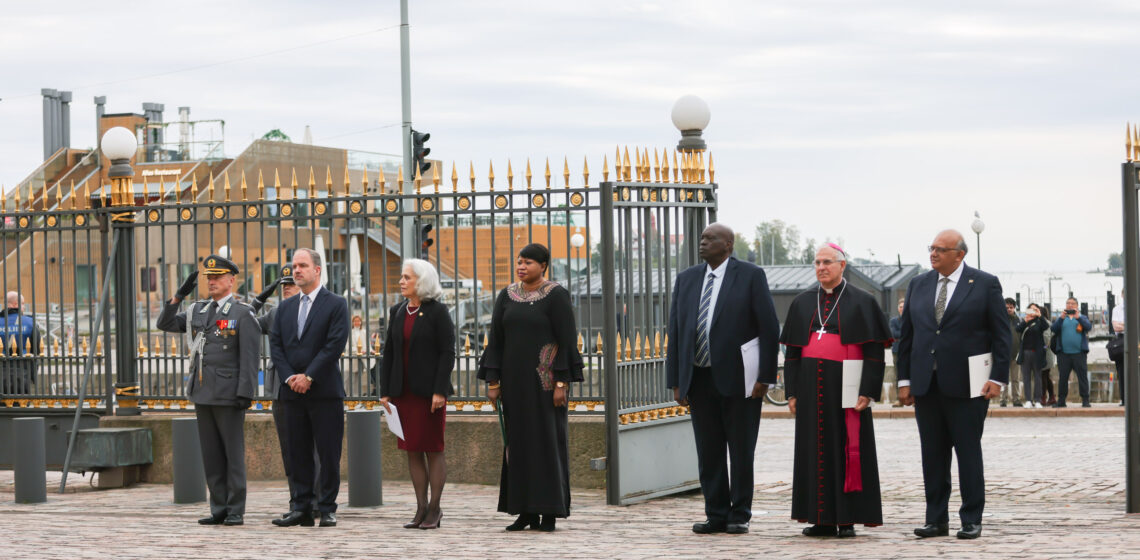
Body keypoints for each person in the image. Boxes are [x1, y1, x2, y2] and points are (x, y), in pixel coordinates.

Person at [664, 223, 780, 535]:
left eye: (710, 238)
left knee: (741, 451)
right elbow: (675, 331)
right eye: (701, 238)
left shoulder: (750, 275)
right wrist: (676, 379)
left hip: (741, 380)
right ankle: (715, 513)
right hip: (699, 379)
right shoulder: (687, 279)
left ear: (727, 245)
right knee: (708, 450)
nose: (703, 242)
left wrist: (766, 376)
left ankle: (739, 513)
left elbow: (768, 327)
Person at [897, 229, 1010, 540]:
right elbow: (907, 337)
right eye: (931, 248)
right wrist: (904, 380)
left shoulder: (984, 284)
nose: (933, 254)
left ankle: (971, 518)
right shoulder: (919, 283)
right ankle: (936, 519)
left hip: (969, 385)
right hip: (926, 384)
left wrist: (997, 377)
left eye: (940, 250)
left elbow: (1002, 335)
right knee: (932, 455)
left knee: (968, 453)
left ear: (959, 254)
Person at [780, 244, 891, 538]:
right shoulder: (802, 302)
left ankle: (847, 518)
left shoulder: (862, 301)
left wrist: (868, 390)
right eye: (817, 262)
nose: (821, 267)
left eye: (827, 262)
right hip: (809, 388)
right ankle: (821, 519)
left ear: (842, 266)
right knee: (813, 450)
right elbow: (791, 352)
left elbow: (874, 350)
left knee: (845, 448)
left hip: (847, 387)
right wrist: (791, 392)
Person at [478, 243, 584, 532]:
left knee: (546, 444)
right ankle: (524, 512)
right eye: (519, 261)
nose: (521, 266)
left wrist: (561, 382)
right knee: (519, 445)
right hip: (513, 385)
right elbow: (496, 340)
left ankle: (548, 512)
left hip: (546, 385)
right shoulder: (507, 296)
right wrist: (493, 380)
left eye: (528, 262)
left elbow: (566, 339)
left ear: (543, 265)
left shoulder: (556, 296)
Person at [156, 254, 260, 526]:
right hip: (202, 391)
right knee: (212, 455)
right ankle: (219, 507)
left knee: (232, 455)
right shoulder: (199, 311)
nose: (212, 281)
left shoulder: (243, 313)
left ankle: (235, 508)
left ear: (231, 280)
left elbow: (250, 357)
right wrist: (178, 297)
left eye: (217, 277)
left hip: (229, 393)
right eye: (209, 277)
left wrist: (246, 393)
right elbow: (165, 324)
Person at [269, 249, 351, 528]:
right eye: (294, 266)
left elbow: (334, 345)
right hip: (291, 393)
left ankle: (326, 507)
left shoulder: (336, 304)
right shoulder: (285, 308)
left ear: (318, 270)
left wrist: (310, 376)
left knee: (328, 454)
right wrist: (291, 377)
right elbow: (276, 346)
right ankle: (300, 506)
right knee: (297, 451)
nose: (297, 270)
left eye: (303, 265)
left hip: (324, 391)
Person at [377, 259, 455, 530]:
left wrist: (440, 390)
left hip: (428, 394)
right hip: (403, 393)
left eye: (407, 277)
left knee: (433, 449)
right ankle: (420, 508)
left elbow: (448, 352)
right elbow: (389, 353)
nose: (401, 281)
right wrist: (385, 391)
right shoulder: (397, 310)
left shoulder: (437, 311)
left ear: (421, 281)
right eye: (401, 277)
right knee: (411, 451)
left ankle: (435, 509)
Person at [252, 267, 319, 519]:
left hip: (312, 386)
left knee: (315, 449)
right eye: (283, 286)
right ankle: (297, 502)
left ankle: (317, 501)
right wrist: (259, 299)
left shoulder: (318, 306)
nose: (288, 288)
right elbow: (247, 322)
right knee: (290, 450)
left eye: (291, 283)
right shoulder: (275, 313)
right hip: (282, 388)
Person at [1051, 297, 1092, 408]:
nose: (1070, 305)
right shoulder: (1061, 318)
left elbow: (1088, 327)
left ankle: (1085, 400)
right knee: (1063, 378)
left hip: (1079, 353)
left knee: (1082, 377)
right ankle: (1061, 400)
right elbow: (1053, 329)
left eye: (1073, 303)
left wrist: (1078, 318)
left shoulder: (1082, 317)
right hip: (1063, 354)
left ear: (1077, 305)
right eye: (1068, 303)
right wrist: (1061, 318)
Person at [0, 292, 41, 396]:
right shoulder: (30, 322)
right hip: (23, 373)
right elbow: (37, 350)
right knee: (22, 407)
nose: (24, 307)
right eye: (22, 304)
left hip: (1, 371)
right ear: (15, 304)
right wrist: (33, 374)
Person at [1016, 303, 1049, 409]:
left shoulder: (1040, 322)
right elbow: (1018, 329)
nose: (1033, 311)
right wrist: (1026, 320)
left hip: (1037, 353)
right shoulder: (1024, 321)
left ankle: (1038, 400)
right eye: (1031, 309)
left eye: (1035, 309)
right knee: (1026, 378)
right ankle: (1028, 400)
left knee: (1038, 377)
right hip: (1025, 353)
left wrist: (1040, 315)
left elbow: (1046, 326)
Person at [1001, 298, 1022, 407]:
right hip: (1003, 355)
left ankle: (1016, 400)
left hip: (1015, 355)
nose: (1009, 309)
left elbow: (1022, 338)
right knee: (1003, 379)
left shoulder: (1019, 321)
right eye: (1006, 307)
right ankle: (1003, 400)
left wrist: (1020, 352)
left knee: (1016, 379)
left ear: (1014, 308)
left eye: (1011, 307)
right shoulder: (1000, 320)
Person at [888, 297, 905, 406]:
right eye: (900, 307)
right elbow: (894, 334)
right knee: (898, 375)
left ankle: (913, 398)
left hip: (911, 350)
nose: (902, 309)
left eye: (904, 307)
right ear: (898, 308)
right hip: (897, 351)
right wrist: (906, 334)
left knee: (913, 374)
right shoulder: (893, 321)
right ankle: (899, 399)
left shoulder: (912, 319)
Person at [1112, 299, 1125, 406]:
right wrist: (1130, 324)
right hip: (1121, 341)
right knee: (1121, 371)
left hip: (1135, 338)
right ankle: (1124, 399)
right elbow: (1115, 327)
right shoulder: (1116, 309)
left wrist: (1123, 325)